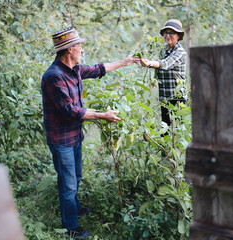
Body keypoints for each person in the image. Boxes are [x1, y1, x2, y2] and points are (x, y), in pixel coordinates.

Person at [41, 26, 139, 239]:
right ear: (69, 50)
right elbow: (70, 110)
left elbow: (98, 69)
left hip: (74, 135)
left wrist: (125, 62)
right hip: (61, 139)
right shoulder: (54, 76)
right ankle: (70, 228)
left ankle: (74, 209)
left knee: (75, 176)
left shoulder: (74, 69)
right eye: (79, 46)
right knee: (67, 184)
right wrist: (103, 115)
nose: (82, 49)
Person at [140, 19, 187, 133]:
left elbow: (165, 64)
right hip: (165, 98)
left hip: (177, 98)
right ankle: (165, 151)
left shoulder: (180, 52)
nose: (168, 36)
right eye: (166, 33)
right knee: (165, 131)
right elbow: (159, 70)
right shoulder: (163, 50)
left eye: (171, 33)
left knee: (177, 132)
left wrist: (150, 63)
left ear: (178, 36)